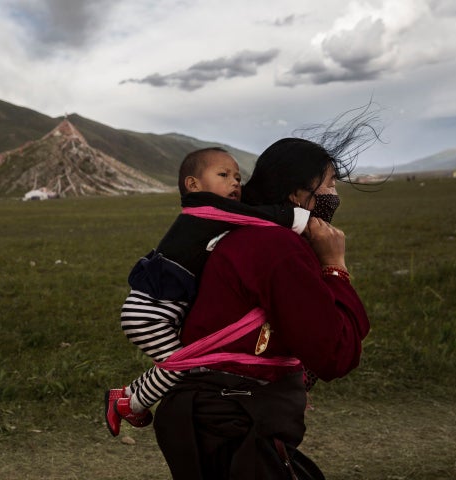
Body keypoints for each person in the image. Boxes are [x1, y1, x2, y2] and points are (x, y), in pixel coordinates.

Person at [152, 111, 379, 479]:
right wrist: (335, 266)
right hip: (231, 424)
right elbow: (336, 353)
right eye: (330, 185)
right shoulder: (276, 247)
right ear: (296, 194)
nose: (335, 196)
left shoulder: (255, 235)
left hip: (211, 417)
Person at [104, 147, 310, 436]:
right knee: (181, 366)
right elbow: (254, 216)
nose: (235, 183)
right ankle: (128, 404)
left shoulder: (207, 216)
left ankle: (125, 397)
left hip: (154, 314)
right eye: (224, 175)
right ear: (194, 185)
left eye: (238, 177)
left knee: (179, 361)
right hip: (148, 316)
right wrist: (300, 219)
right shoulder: (205, 208)